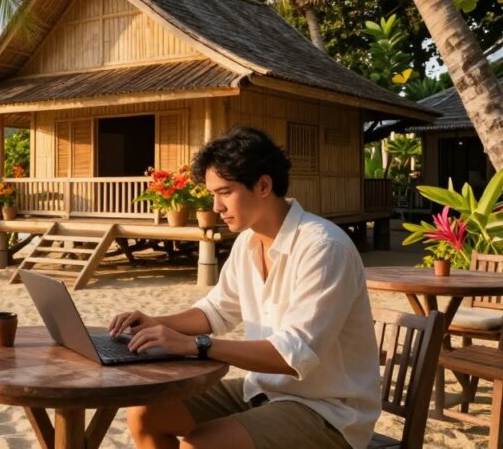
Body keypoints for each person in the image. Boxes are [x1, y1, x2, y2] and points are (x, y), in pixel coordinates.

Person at [109, 126, 379, 449]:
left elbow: (293, 355)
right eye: (213, 194)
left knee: (201, 443)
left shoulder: (324, 247)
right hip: (263, 392)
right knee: (146, 414)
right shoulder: (247, 243)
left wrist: (196, 345)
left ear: (264, 185)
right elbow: (216, 310)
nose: (216, 206)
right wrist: (157, 323)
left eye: (224, 192)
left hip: (328, 411)